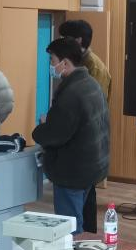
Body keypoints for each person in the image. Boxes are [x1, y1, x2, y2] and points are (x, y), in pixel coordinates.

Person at [32, 38, 109, 233]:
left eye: (52, 61)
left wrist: (42, 127)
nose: (51, 66)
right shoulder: (91, 84)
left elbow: (55, 134)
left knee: (70, 227)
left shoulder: (71, 93)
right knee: (78, 218)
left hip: (72, 170)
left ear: (64, 63)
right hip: (91, 165)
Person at [59, 19, 112, 234]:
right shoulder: (78, 62)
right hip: (80, 145)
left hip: (88, 143)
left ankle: (86, 239)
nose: (62, 41)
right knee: (82, 199)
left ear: (78, 40)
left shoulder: (94, 67)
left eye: (65, 38)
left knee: (86, 200)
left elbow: (92, 107)